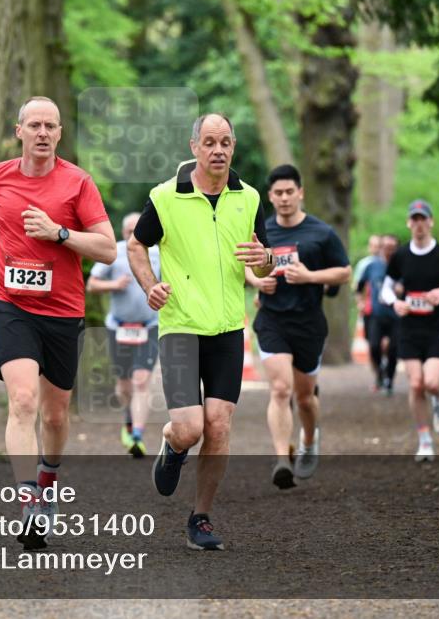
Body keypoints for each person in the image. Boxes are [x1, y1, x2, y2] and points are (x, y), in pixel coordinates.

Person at [0, 96, 116, 549]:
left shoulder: (78, 183)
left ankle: (48, 481)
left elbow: (107, 249)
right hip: (10, 304)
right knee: (23, 400)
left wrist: (59, 233)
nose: (43, 133)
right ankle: (28, 502)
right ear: (19, 131)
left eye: (51, 126)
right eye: (35, 125)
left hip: (63, 309)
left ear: (60, 133)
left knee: (55, 414)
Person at [127, 113, 273, 551]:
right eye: (209, 142)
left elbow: (264, 261)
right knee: (190, 428)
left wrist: (265, 259)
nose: (218, 150)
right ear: (194, 147)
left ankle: (201, 518)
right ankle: (173, 445)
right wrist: (150, 286)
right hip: (180, 327)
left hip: (227, 328)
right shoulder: (165, 197)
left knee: (219, 425)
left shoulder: (249, 197)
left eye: (225, 142)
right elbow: (136, 244)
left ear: (233, 146)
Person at [245, 164, 351, 490]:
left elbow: (344, 272)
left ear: (300, 193)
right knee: (280, 389)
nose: (284, 198)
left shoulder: (321, 233)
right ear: (270, 196)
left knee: (305, 398)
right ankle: (281, 459)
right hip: (272, 320)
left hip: (308, 322)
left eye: (290, 191)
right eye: (278, 193)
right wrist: (257, 282)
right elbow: (245, 267)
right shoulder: (261, 232)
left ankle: (308, 440)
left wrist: (310, 277)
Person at [380, 200, 439, 462]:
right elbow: (386, 289)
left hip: (436, 330)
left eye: (423, 219)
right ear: (409, 223)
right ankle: (425, 440)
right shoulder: (400, 256)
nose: (419, 224)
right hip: (409, 330)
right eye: (415, 219)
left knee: (431, 383)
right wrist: (394, 302)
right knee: (416, 384)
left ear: (431, 222)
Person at [87, 212, 162, 458]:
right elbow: (92, 284)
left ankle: (137, 435)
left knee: (141, 380)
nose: (132, 235)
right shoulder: (114, 253)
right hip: (118, 327)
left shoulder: (158, 253)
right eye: (129, 232)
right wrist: (113, 285)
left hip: (149, 326)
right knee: (124, 384)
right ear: (122, 233)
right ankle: (129, 418)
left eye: (136, 231)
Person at [358, 233, 400, 395]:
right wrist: (361, 302)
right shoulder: (372, 266)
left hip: (396, 315)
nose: (388, 251)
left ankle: (389, 380)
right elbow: (359, 286)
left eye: (392, 248)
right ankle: (380, 373)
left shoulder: (403, 265)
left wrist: (403, 291)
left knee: (394, 349)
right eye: (386, 247)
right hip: (376, 314)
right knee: (374, 346)